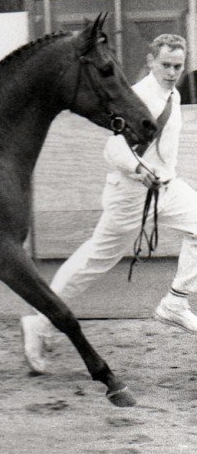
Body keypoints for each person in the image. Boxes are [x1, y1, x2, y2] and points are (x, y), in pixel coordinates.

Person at [21, 33, 197, 374]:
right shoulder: (140, 96)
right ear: (150, 62)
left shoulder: (172, 94)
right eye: (165, 65)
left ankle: (176, 300)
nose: (173, 72)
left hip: (166, 187)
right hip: (131, 192)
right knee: (93, 262)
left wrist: (156, 173)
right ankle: (39, 323)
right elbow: (113, 149)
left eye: (178, 65)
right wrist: (139, 169)